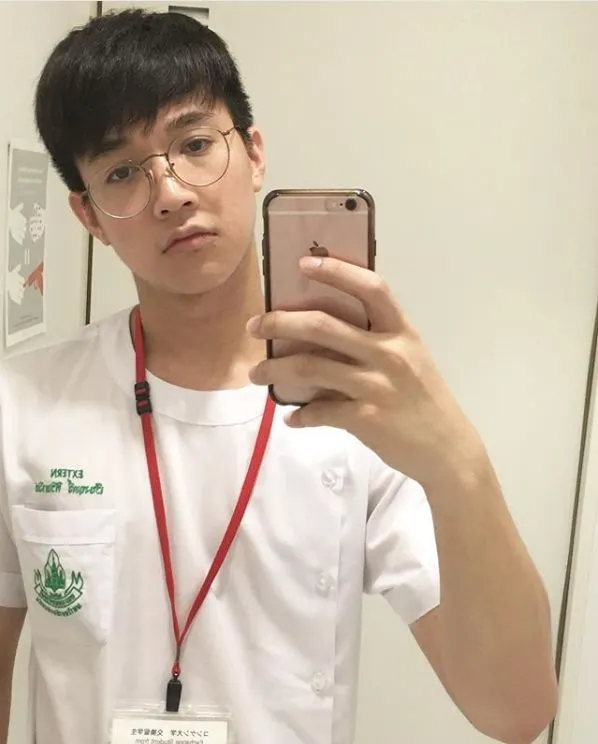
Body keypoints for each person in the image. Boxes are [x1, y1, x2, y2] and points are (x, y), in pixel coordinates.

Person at [0, 9, 557, 744]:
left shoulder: (363, 406)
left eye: (195, 144)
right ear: (90, 216)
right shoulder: (22, 404)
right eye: (122, 172)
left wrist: (459, 464)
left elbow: (515, 710)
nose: (170, 192)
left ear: (255, 154)